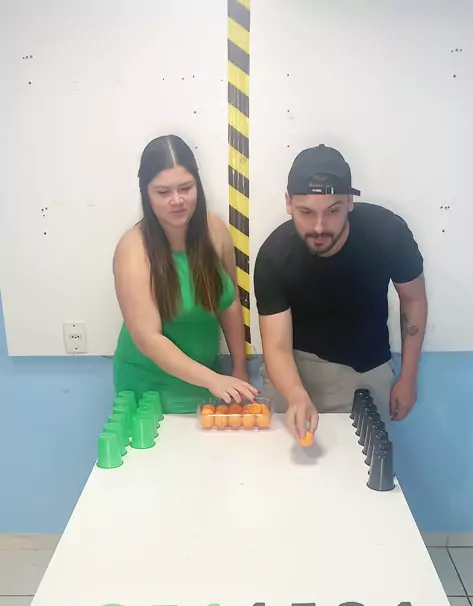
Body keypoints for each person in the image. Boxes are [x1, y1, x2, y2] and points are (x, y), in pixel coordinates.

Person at [254, 144, 427, 440]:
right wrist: (296, 395)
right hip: (295, 370)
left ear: (349, 202)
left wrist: (409, 377)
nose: (319, 227)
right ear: (288, 202)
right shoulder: (274, 255)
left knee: (362, 466)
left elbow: (413, 300)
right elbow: (277, 346)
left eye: (332, 211)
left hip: (367, 369)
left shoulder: (388, 235)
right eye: (306, 212)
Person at [113, 135, 257, 411]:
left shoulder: (215, 230)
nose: (177, 200)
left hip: (211, 382)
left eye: (186, 188)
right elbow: (149, 338)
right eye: (163, 192)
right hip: (151, 390)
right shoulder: (133, 250)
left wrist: (239, 367)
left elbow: (229, 303)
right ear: (146, 193)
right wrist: (214, 380)